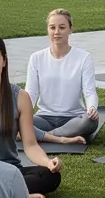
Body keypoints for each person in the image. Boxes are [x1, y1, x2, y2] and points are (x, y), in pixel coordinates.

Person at [0, 33, 63, 198]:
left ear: (4, 61)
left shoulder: (20, 97)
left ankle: (0, 192)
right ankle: (16, 194)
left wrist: (48, 162)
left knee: (50, 176)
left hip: (9, 171)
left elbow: (30, 145)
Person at [24, 9, 100, 143]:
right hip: (44, 118)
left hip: (73, 118)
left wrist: (92, 107)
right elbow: (31, 93)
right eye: (52, 27)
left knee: (90, 121)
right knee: (13, 122)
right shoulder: (36, 58)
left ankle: (48, 135)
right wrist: (22, 115)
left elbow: (89, 92)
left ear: (71, 29)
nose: (56, 32)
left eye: (62, 27)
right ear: (48, 29)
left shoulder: (83, 58)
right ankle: (59, 136)